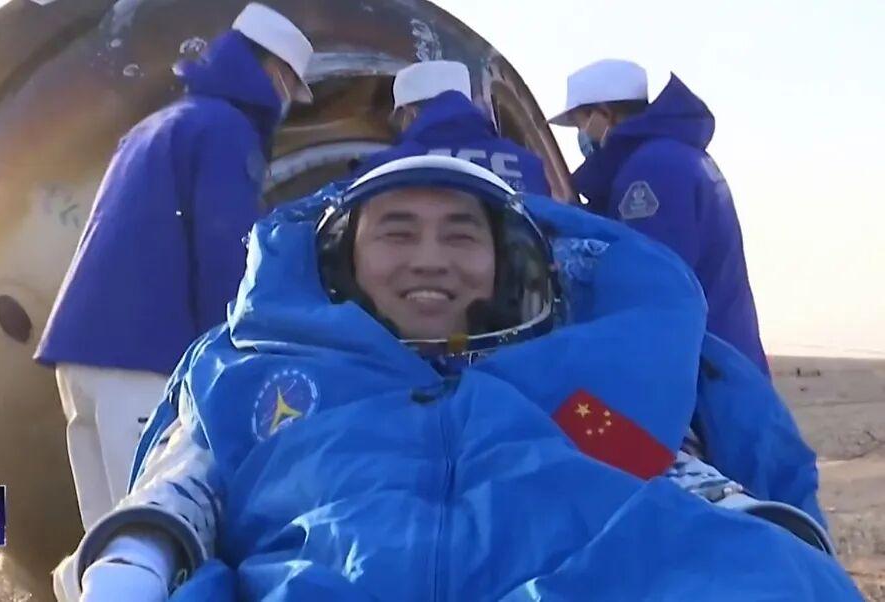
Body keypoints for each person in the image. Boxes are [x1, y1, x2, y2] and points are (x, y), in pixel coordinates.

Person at [63, 156, 853, 601]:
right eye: (396, 232)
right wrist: (133, 568)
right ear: (342, 259)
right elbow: (179, 491)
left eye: (462, 236)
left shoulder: (570, 388)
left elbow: (662, 470)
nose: (430, 258)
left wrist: (771, 537)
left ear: (504, 264)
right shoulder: (260, 375)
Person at [34, 2, 315, 532]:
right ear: (273, 72)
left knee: (106, 536)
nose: (286, 104)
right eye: (288, 87)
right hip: (143, 360)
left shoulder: (161, 123)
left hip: (80, 358)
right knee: (150, 531)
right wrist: (234, 355)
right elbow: (225, 252)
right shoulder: (226, 132)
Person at [549, 59, 770, 373]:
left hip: (702, 370)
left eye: (581, 123)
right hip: (724, 356)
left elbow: (652, 285)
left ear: (603, 114)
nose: (582, 135)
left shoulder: (652, 170)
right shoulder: (678, 156)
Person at [355, 60, 550, 195]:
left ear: (410, 113)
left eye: (399, 121)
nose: (399, 129)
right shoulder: (529, 165)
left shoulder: (384, 167)